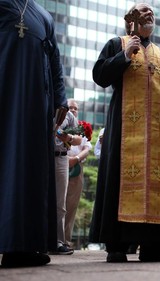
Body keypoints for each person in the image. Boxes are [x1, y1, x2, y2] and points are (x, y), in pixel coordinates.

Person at [89, 3, 160, 263]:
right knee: (120, 181)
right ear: (131, 17)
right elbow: (99, 75)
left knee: (156, 186)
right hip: (124, 129)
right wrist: (125, 56)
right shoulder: (116, 43)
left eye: (152, 10)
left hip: (156, 135)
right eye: (143, 9)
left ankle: (153, 246)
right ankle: (116, 245)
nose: (149, 12)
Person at [0, 0, 67, 267]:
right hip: (6, 87)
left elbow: (55, 59)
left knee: (30, 169)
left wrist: (61, 97)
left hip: (36, 102)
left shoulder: (43, 15)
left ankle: (24, 245)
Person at [51, 111, 82, 255]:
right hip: (43, 155)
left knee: (60, 203)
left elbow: (78, 139)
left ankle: (59, 241)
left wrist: (68, 137)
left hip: (61, 157)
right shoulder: (43, 106)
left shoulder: (68, 115)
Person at [65, 99, 92, 247]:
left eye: (75, 108)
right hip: (60, 166)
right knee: (58, 204)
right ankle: (53, 240)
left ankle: (66, 240)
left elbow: (87, 148)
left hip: (77, 169)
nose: (73, 110)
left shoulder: (82, 127)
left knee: (71, 206)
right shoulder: (60, 124)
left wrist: (75, 159)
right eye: (70, 108)